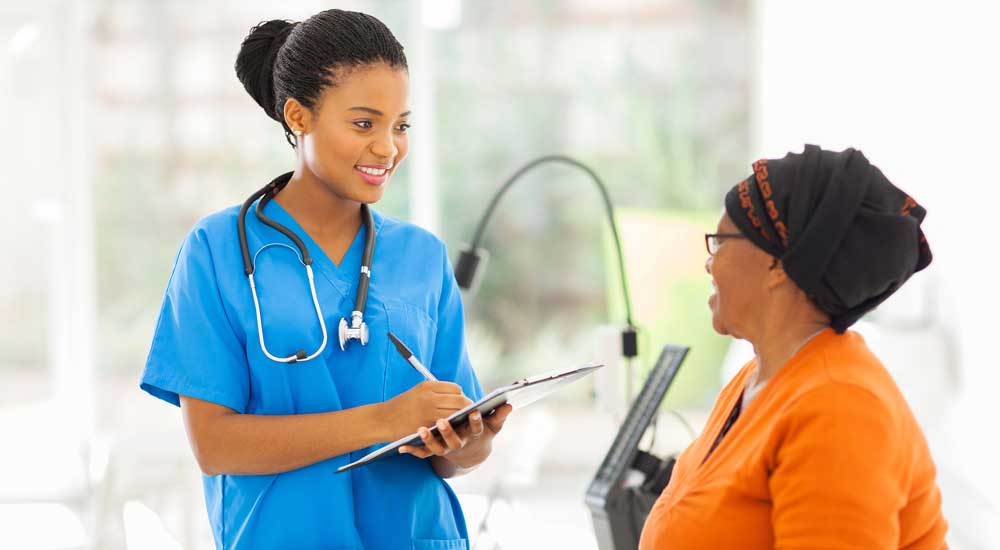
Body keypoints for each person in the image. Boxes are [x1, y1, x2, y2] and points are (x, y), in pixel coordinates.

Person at [139, 9, 511, 549]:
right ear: (298, 116)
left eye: (400, 125)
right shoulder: (216, 250)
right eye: (364, 124)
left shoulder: (421, 257)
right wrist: (385, 420)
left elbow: (455, 457)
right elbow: (215, 444)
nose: (388, 147)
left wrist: (470, 439)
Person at [639, 145, 948, 549]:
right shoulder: (756, 380)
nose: (710, 264)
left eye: (721, 242)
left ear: (779, 265)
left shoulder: (838, 407)